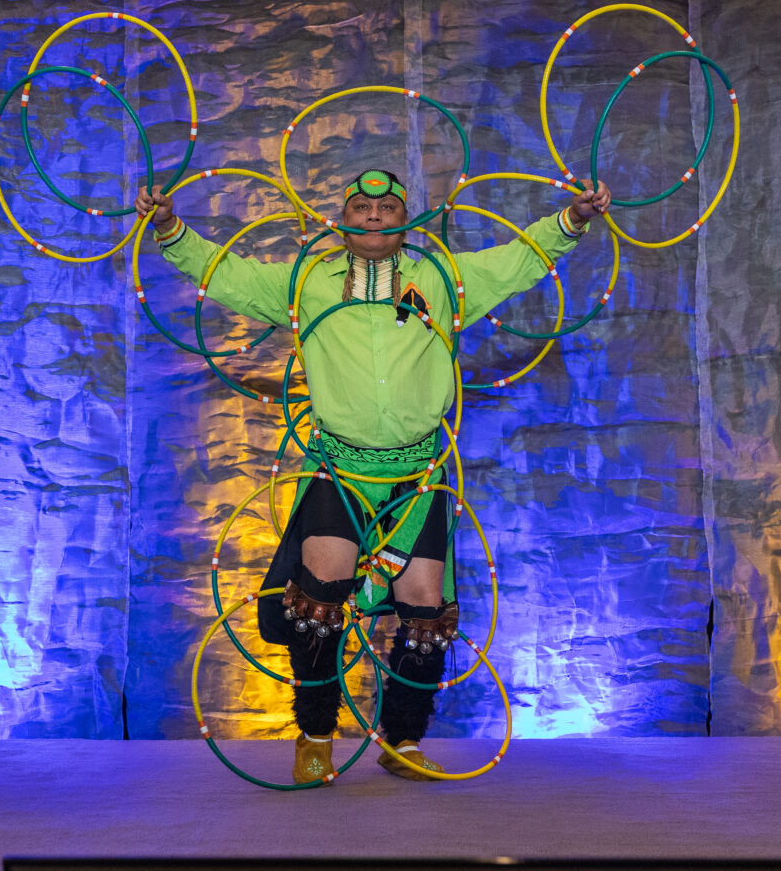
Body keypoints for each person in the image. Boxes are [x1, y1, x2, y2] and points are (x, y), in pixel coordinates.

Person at [135, 168, 610, 784]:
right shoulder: (306, 282)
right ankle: (314, 737)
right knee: (318, 602)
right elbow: (227, 274)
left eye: (387, 206)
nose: (375, 215)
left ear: (404, 218)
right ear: (343, 218)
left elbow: (518, 259)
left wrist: (572, 220)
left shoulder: (443, 279)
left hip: (419, 475)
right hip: (339, 469)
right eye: (361, 205)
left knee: (424, 609)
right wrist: (171, 228)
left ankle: (403, 742)